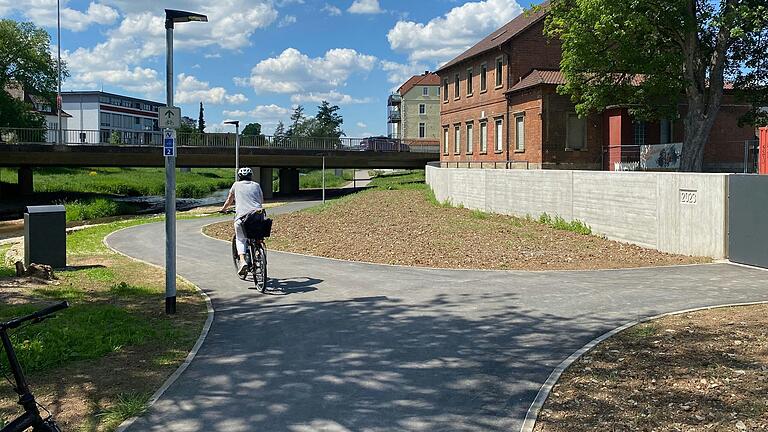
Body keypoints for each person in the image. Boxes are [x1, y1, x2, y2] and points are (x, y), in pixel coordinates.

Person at [220, 167, 264, 276]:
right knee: (257, 236)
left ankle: (243, 261)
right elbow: (261, 200)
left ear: (239, 177)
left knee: (240, 239)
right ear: (251, 176)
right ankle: (258, 253)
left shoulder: (236, 185)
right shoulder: (256, 185)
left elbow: (230, 199)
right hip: (258, 216)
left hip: (242, 218)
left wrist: (223, 209)